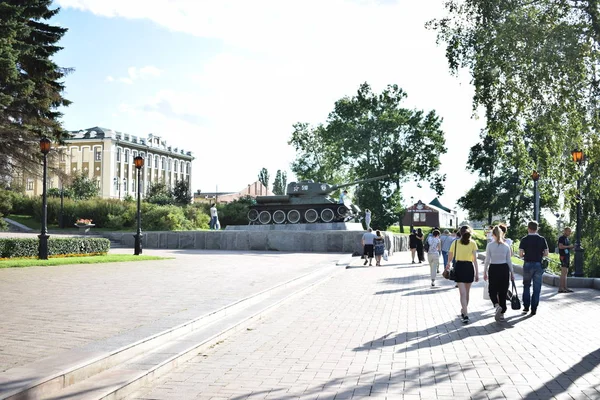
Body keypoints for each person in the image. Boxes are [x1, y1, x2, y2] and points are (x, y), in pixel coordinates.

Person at [445, 225, 479, 323]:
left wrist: (448, 264)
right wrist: (477, 273)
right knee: (467, 293)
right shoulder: (473, 243)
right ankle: (465, 312)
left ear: (460, 232)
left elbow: (450, 257)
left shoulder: (455, 242)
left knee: (462, 293)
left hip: (459, 267)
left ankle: (465, 312)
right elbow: (475, 260)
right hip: (469, 268)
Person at [483, 226, 514, 322]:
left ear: (494, 235)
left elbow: (487, 260)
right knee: (503, 291)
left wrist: (484, 271)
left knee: (492, 290)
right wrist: (512, 273)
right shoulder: (506, 246)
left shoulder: (490, 245)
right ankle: (502, 314)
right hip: (504, 268)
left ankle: (496, 305)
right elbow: (509, 260)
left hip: (493, 268)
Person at [518, 220, 549, 316]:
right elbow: (546, 253)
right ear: (537, 228)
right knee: (537, 287)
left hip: (527, 264)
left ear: (528, 228)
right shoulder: (542, 239)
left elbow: (520, 253)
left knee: (526, 286)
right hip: (538, 264)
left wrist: (525, 255)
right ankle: (534, 308)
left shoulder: (524, 239)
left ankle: (526, 306)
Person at [558, 227, 575, 293]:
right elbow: (560, 246)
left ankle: (565, 287)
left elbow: (566, 247)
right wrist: (569, 247)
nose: (570, 233)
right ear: (565, 231)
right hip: (563, 256)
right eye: (568, 231)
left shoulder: (567, 239)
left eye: (570, 231)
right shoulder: (561, 238)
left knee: (565, 272)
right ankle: (561, 288)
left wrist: (572, 248)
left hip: (567, 256)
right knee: (563, 272)